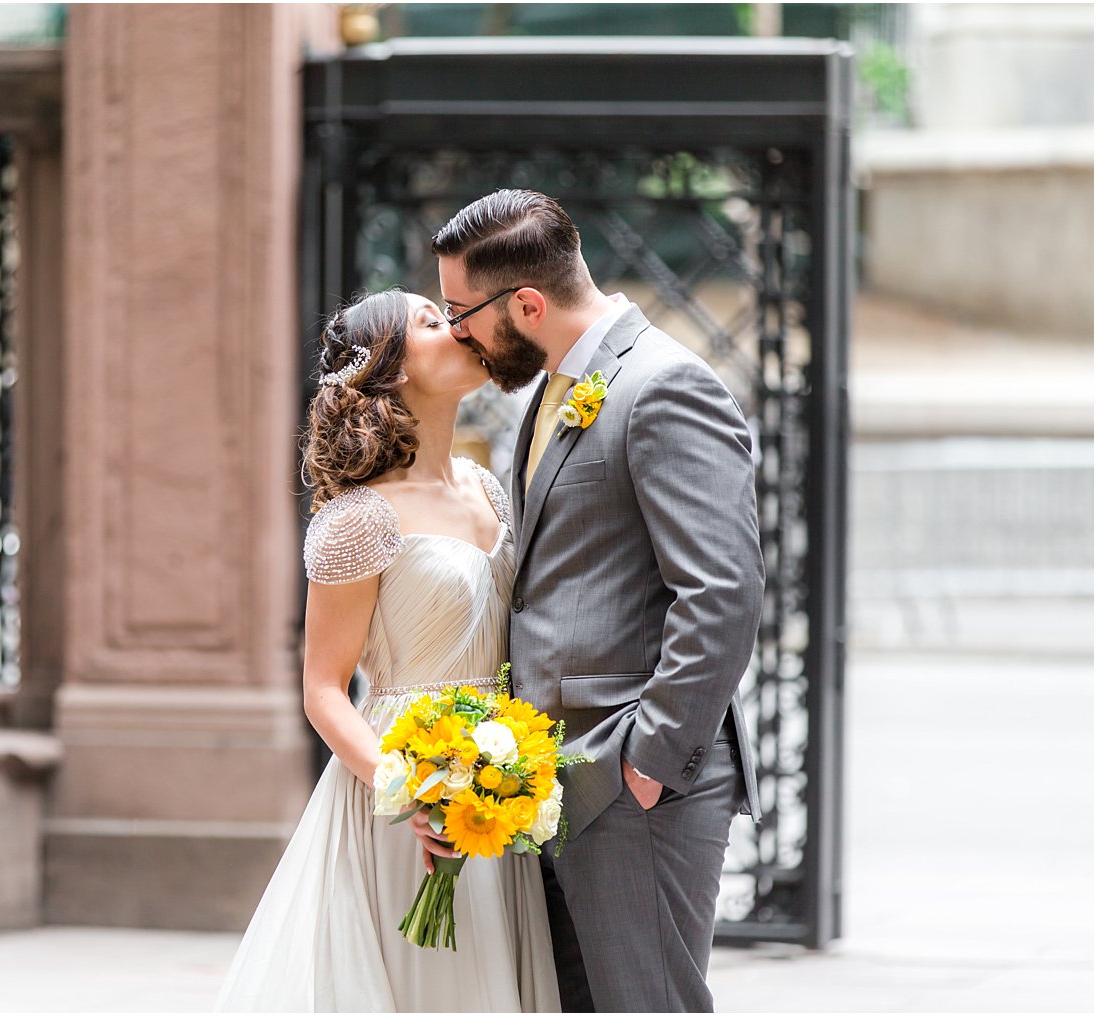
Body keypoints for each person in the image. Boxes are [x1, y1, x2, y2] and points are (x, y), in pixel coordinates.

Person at [432, 188, 765, 1013]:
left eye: (459, 311)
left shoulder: (663, 387)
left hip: (631, 789)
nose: (455, 332)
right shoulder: (549, 390)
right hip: (552, 783)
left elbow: (720, 592)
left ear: (529, 304)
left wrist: (646, 765)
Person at [213, 288, 560, 1012]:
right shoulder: (359, 517)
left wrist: (507, 774)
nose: (457, 326)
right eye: (432, 323)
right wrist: (411, 792)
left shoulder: (490, 493)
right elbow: (323, 690)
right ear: (392, 369)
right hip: (404, 793)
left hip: (497, 781)